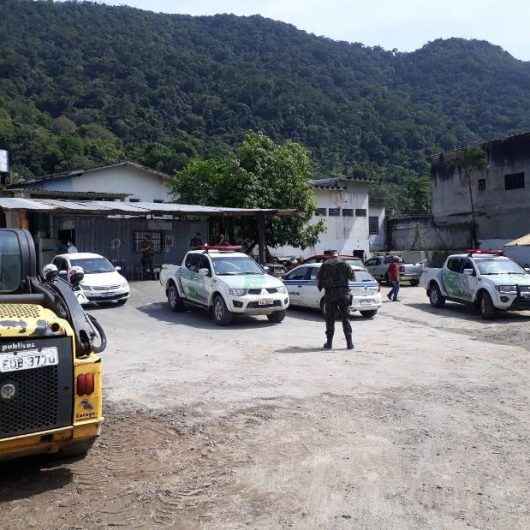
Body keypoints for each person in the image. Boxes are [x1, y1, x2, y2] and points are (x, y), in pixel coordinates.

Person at [317, 250, 354, 350]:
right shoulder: (344, 264)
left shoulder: (325, 265)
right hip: (343, 294)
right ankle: (349, 344)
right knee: (346, 319)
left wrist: (322, 286)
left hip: (330, 295)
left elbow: (319, 280)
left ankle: (329, 344)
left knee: (330, 320)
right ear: (337, 255)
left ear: (329, 256)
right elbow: (352, 277)